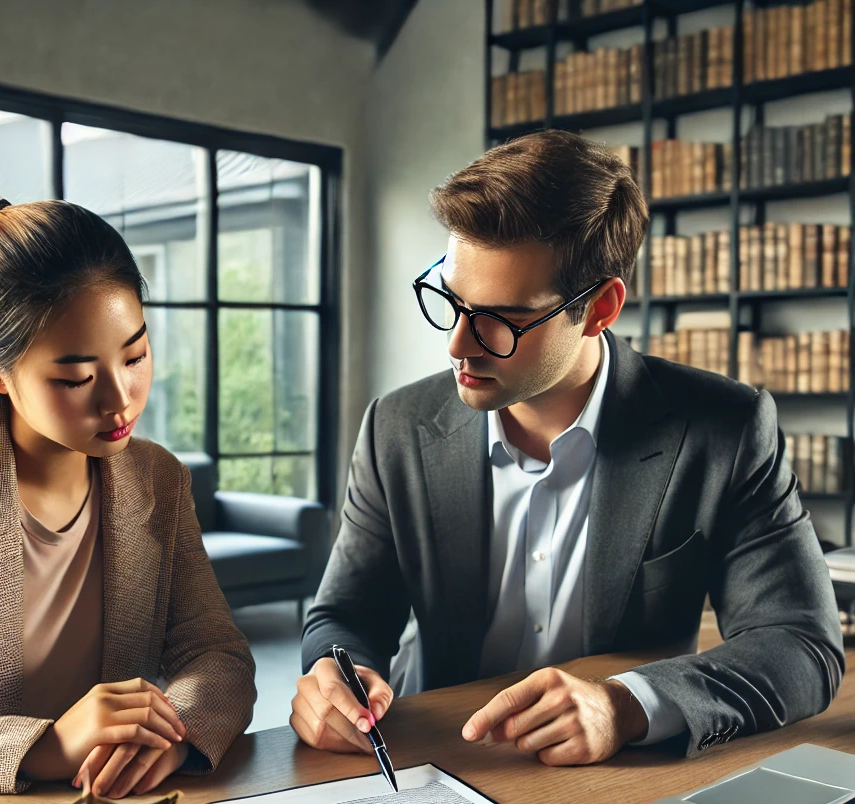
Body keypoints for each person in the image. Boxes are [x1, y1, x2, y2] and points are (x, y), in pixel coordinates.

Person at [292, 129, 843, 766]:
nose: (457, 345)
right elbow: (345, 614)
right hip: (434, 761)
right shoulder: (397, 426)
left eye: (500, 317)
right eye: (450, 299)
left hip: (614, 778)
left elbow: (800, 643)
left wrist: (627, 704)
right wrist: (338, 675)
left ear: (601, 307)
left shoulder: (725, 429)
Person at [0, 194, 255, 796]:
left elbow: (216, 654)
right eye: (77, 378)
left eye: (134, 354)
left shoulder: (158, 479)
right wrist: (39, 747)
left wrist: (173, 732)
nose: (120, 399)